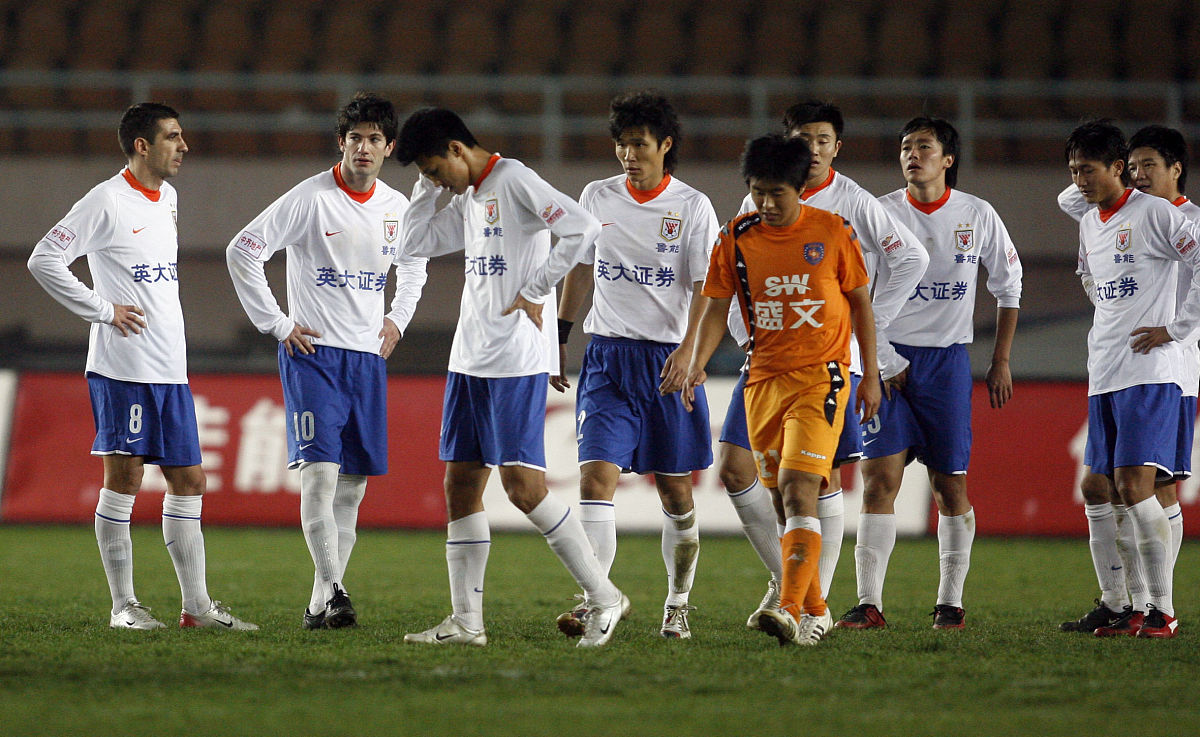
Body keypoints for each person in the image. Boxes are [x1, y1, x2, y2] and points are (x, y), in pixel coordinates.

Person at [395, 107, 627, 648]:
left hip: (515, 359)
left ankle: (604, 595)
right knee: (460, 486)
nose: (434, 181)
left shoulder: (514, 178)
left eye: (434, 170)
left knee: (523, 490)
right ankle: (467, 623)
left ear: (457, 149)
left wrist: (539, 286)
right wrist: (425, 191)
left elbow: (582, 227)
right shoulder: (469, 196)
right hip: (470, 357)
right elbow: (410, 244)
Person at [28, 102, 256, 631]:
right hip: (122, 367)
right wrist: (103, 310)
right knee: (126, 478)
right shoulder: (105, 201)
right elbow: (44, 258)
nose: (183, 146)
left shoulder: (168, 198)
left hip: (169, 368)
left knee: (189, 480)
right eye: (173, 137)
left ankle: (196, 607)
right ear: (142, 146)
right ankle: (123, 606)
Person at [719, 101, 928, 629]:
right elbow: (740, 272)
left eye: (822, 139)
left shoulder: (852, 203)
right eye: (802, 138)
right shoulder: (763, 195)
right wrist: (746, 332)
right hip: (765, 360)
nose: (811, 148)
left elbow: (910, 258)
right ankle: (793, 585)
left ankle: (809, 606)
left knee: (818, 480)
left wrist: (868, 334)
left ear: (837, 146)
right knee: (738, 469)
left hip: (830, 361)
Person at [226, 92, 427, 630]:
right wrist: (278, 323)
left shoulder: (395, 208)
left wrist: (397, 320)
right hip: (312, 355)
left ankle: (320, 601)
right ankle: (337, 590)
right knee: (320, 476)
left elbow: (413, 267)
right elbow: (242, 249)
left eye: (375, 139)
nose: (365, 147)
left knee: (354, 485)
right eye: (355, 138)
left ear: (388, 148)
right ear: (342, 143)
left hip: (366, 358)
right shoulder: (310, 198)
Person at [677, 133, 881, 646]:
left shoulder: (833, 231)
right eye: (757, 192)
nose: (766, 204)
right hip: (762, 380)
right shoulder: (737, 236)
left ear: (800, 188)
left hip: (822, 376)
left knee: (798, 485)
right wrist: (695, 363)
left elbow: (860, 305)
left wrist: (872, 373)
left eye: (777, 194)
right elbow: (717, 307)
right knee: (778, 501)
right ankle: (816, 610)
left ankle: (787, 607)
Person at [839, 116, 1022, 631]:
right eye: (905, 147)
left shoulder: (977, 215)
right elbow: (853, 288)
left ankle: (950, 602)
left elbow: (1010, 285)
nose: (911, 154)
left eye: (924, 146)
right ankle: (869, 603)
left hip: (945, 365)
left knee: (950, 488)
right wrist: (873, 357)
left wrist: (1000, 359)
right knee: (879, 481)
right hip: (885, 361)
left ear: (948, 160)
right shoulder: (878, 212)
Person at [550, 90, 719, 640]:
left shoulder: (692, 206)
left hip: (666, 362)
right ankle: (597, 597)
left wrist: (689, 352)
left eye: (639, 144)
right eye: (621, 144)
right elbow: (579, 269)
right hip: (607, 357)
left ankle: (678, 602)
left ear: (665, 146)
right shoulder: (596, 196)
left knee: (675, 492)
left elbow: (705, 288)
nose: (628, 154)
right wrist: (560, 335)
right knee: (596, 478)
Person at [1056, 120, 1200, 638]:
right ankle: (1124, 606)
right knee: (1099, 486)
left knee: (1139, 487)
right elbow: (1090, 268)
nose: (1079, 181)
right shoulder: (1090, 220)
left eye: (1088, 170)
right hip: (1106, 370)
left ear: (1116, 168)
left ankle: (1161, 608)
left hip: (1153, 371)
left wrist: (1177, 328)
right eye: (1073, 171)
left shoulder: (1157, 213)